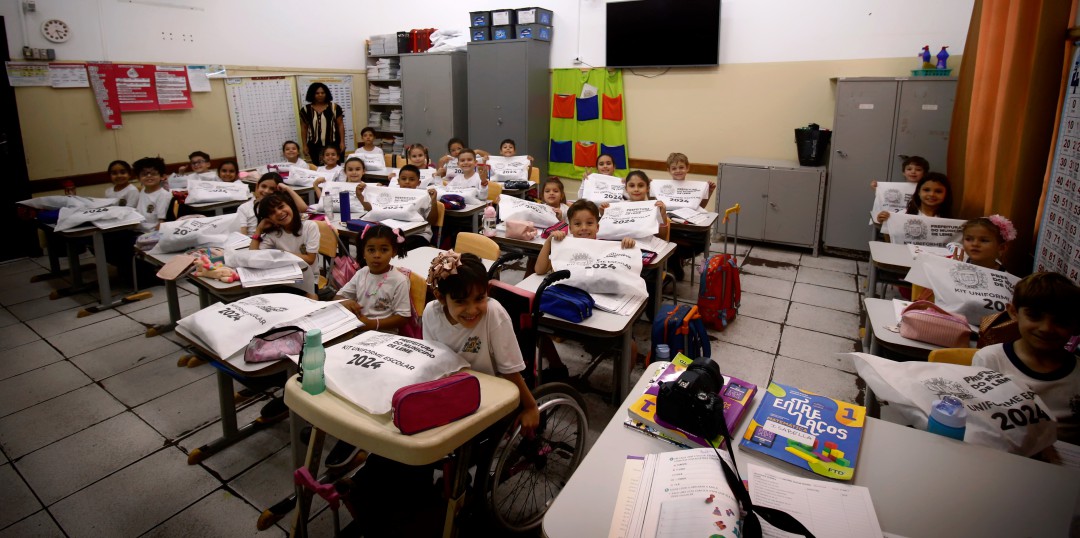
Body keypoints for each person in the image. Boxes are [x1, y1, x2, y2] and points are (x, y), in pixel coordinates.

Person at [424, 251, 539, 436]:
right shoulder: (431, 313)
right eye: (460, 301)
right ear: (440, 297)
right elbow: (433, 361)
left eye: (479, 298)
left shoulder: (493, 314)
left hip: (490, 394)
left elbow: (510, 370)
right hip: (451, 391)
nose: (472, 310)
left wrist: (531, 407)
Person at [972, 272, 1080, 445]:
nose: (1046, 328)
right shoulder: (990, 360)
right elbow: (980, 423)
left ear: (1077, 326)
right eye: (1034, 316)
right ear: (1013, 312)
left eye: (1061, 321)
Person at [535, 200, 637, 376]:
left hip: (600, 307)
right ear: (570, 227)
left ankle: (621, 387)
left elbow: (625, 274)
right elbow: (539, 270)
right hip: (569, 306)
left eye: (589, 223)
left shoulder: (608, 247)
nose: (584, 228)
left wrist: (628, 245)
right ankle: (557, 366)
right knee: (534, 326)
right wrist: (550, 241)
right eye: (577, 224)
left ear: (598, 226)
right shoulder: (564, 246)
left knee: (631, 345)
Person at [250, 192, 320, 297]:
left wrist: (281, 254)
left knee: (311, 299)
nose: (279, 213)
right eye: (272, 213)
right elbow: (253, 258)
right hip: (282, 280)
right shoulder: (274, 234)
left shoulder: (309, 227)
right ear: (269, 219)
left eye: (281, 207)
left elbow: (310, 259)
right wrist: (258, 230)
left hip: (307, 280)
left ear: (290, 205)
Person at [236, 172, 308, 235]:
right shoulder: (244, 208)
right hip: (254, 240)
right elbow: (243, 234)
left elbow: (303, 209)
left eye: (272, 189)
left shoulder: (280, 206)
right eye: (263, 186)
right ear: (257, 185)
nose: (266, 191)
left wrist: (287, 188)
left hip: (277, 239)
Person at [394, 164, 439, 251]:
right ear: (398, 181)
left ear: (418, 183)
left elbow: (432, 221)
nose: (407, 182)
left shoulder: (424, 197)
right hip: (396, 233)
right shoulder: (393, 195)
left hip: (419, 234)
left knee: (401, 247)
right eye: (403, 179)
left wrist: (433, 201)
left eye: (412, 179)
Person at [299, 82, 345, 166]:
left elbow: (340, 125)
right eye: (317, 93)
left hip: (333, 143)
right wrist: (304, 145)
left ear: (326, 94)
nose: (320, 95)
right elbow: (304, 128)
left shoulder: (334, 107)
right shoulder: (305, 110)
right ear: (312, 94)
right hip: (314, 145)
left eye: (322, 93)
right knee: (319, 167)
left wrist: (342, 142)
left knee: (334, 166)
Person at [879, 172, 953, 223]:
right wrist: (886, 221)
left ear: (946, 194)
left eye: (938, 191)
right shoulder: (903, 214)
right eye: (926, 190)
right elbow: (892, 240)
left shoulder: (951, 221)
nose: (932, 194)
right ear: (918, 192)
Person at [875, 155, 930, 222]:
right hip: (893, 224)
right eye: (909, 169)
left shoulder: (928, 190)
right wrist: (878, 188)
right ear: (903, 172)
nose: (913, 172)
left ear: (925, 173)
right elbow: (882, 202)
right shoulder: (892, 188)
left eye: (918, 169)